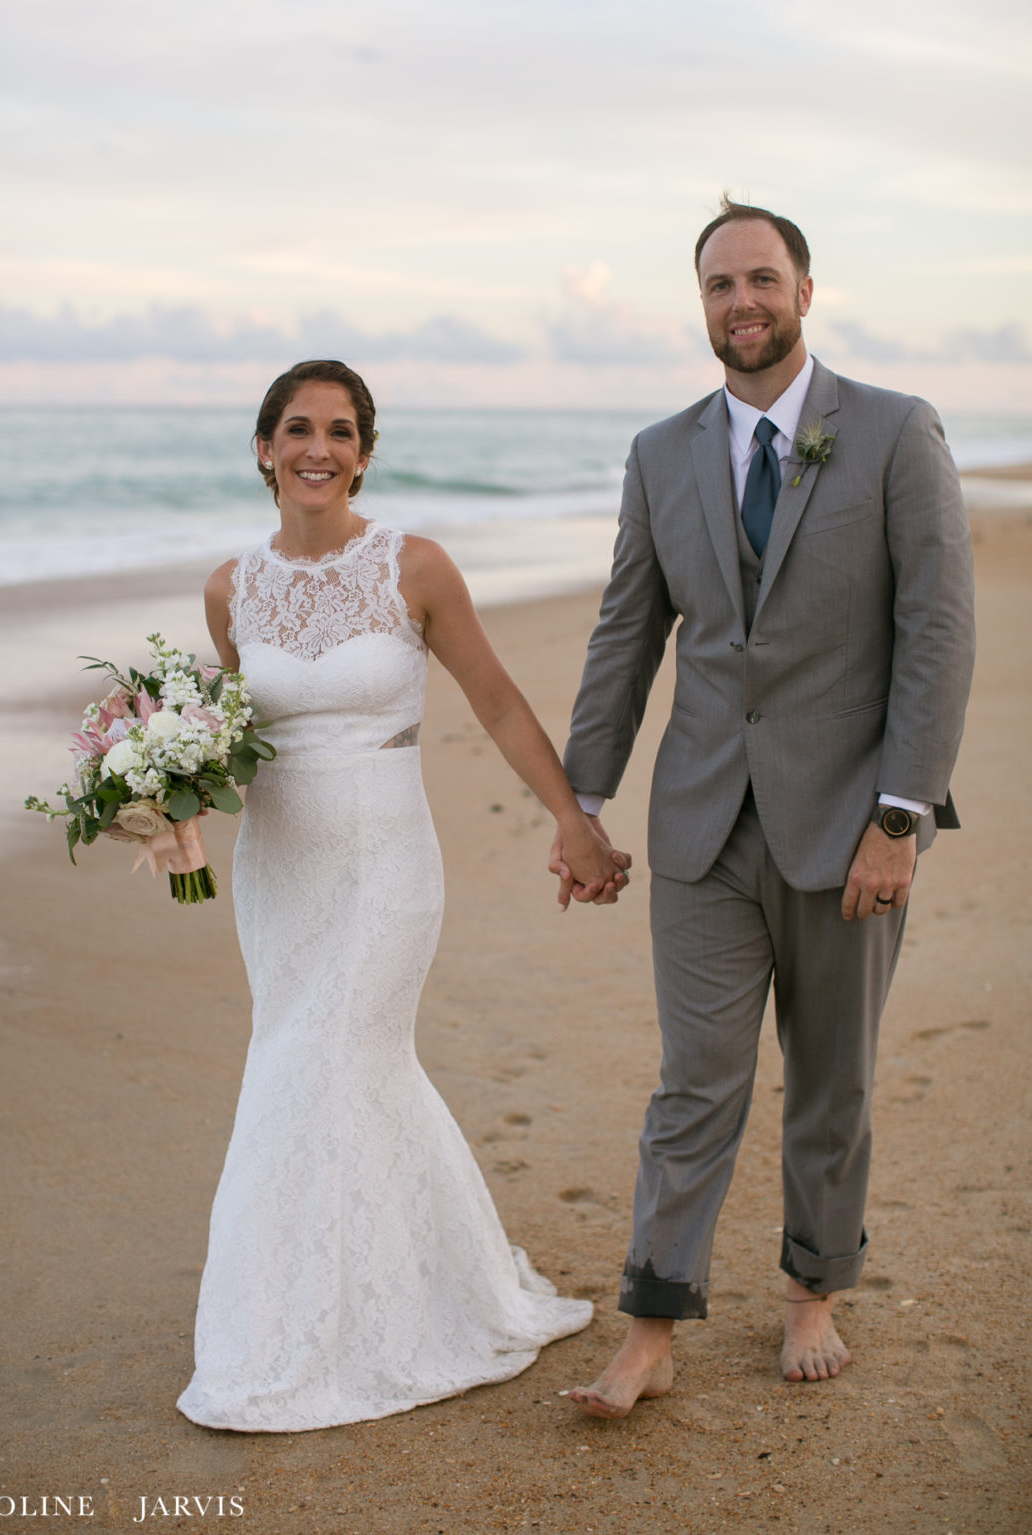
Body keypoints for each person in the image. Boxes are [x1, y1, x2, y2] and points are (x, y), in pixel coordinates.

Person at [554, 198, 975, 1415]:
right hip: (699, 822)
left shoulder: (893, 431)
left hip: (849, 826)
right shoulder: (657, 450)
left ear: (801, 290)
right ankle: (651, 1319)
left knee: (829, 1078)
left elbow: (933, 631)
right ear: (700, 306)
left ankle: (809, 1291)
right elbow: (627, 631)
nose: (740, 302)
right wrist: (584, 801)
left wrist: (900, 821)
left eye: (760, 278)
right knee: (694, 1081)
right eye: (717, 285)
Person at [177, 358, 627, 1432]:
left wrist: (571, 818)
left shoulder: (415, 566)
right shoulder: (228, 588)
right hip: (278, 869)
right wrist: (159, 790)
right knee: (313, 1065)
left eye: (338, 431)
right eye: (295, 428)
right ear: (261, 449)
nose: (316, 448)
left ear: (364, 454)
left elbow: (496, 699)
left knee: (333, 1056)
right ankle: (374, 1291)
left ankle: (343, 1322)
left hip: (387, 863)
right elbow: (227, 743)